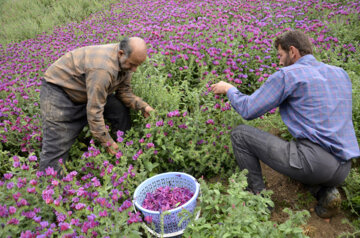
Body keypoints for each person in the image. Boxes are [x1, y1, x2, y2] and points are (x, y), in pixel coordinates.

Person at [211, 30, 359, 219]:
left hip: (314, 163)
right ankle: (325, 193)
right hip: (343, 167)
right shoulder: (340, 73)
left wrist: (229, 89)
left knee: (240, 135)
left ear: (293, 51)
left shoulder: (288, 75)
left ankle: (259, 199)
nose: (279, 62)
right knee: (300, 152)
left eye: (280, 55)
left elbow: (248, 110)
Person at [39, 37, 154, 176]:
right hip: (59, 90)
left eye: (137, 65)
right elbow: (94, 111)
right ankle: (48, 187)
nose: (134, 70)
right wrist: (106, 142)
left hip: (86, 89)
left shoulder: (125, 61)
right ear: (121, 53)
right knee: (57, 142)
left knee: (118, 109)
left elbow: (124, 93)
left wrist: (143, 107)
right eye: (132, 65)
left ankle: (126, 146)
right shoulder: (103, 70)